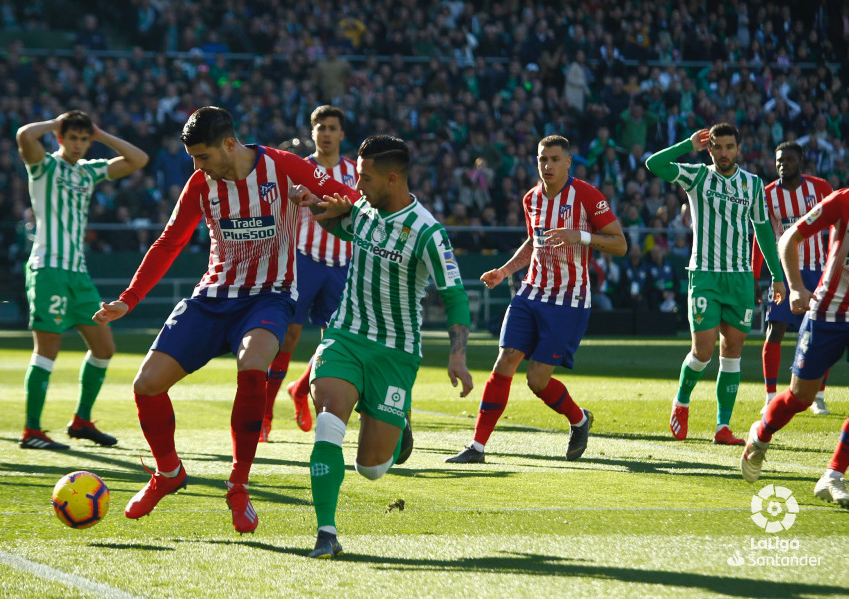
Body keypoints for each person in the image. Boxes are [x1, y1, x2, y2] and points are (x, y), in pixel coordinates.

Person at [92, 107, 359, 534]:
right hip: (213, 296)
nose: (197, 166)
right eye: (193, 158)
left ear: (230, 144)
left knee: (252, 364)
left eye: (203, 156)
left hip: (270, 296)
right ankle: (168, 472)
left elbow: (349, 201)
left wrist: (327, 205)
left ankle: (238, 485)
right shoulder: (202, 183)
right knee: (146, 385)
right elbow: (170, 241)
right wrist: (129, 299)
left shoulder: (282, 166)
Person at [299, 135, 474, 558]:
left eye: (365, 177)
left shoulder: (428, 231)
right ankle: (326, 532)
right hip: (345, 335)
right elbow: (339, 224)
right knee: (328, 419)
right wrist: (317, 207)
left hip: (396, 352)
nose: (357, 185)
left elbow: (455, 296)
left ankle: (398, 426)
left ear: (392, 178)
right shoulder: (362, 209)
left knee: (372, 468)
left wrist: (457, 355)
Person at [445, 135, 627, 465]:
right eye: (543, 159)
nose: (548, 165)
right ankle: (477, 447)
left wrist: (580, 236)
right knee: (505, 360)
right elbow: (533, 242)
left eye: (555, 159)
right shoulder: (531, 199)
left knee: (536, 380)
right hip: (530, 293)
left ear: (568, 162)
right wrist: (504, 271)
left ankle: (579, 420)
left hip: (569, 300)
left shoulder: (586, 195)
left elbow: (620, 244)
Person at [16, 110, 148, 450]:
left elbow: (139, 159)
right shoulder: (44, 166)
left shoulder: (89, 171)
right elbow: (24, 136)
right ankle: (32, 431)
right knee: (47, 351)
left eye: (83, 139)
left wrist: (101, 134)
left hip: (78, 273)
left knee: (104, 349)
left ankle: (81, 421)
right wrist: (55, 122)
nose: (78, 144)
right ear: (60, 138)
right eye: (72, 137)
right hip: (48, 270)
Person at [645, 124, 785, 445]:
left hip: (740, 279)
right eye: (717, 147)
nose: (723, 152)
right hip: (705, 275)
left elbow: (763, 230)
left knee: (732, 351)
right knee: (703, 351)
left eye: (729, 147)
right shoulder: (698, 176)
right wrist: (687, 144)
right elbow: (654, 164)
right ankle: (681, 401)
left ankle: (723, 427)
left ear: (738, 149)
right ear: (709, 150)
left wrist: (776, 276)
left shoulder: (752, 184)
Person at [740, 188, 849, 509]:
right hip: (827, 314)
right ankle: (761, 434)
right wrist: (797, 287)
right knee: (801, 397)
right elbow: (788, 238)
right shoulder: (843, 200)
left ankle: (833, 475)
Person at [262, 105, 357, 440]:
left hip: (343, 266)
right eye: (321, 127)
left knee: (334, 343)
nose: (326, 133)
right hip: (303, 262)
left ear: (342, 134)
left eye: (332, 128)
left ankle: (301, 389)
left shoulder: (354, 171)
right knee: (287, 337)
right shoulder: (299, 169)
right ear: (313, 132)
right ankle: (265, 415)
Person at [751, 142, 833, 415]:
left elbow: (837, 223)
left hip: (817, 270)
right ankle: (770, 397)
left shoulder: (819, 188)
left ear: (801, 160)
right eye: (779, 160)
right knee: (774, 331)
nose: (783, 164)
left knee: (821, 333)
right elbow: (761, 236)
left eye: (789, 159)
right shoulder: (768, 194)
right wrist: (755, 275)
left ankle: (818, 396)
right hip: (784, 273)